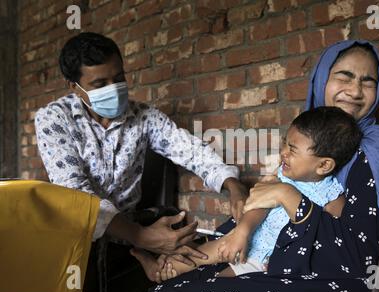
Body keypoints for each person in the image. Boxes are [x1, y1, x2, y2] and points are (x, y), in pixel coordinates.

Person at [144, 39, 379, 292]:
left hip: (326, 275)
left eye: (368, 81)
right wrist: (232, 233)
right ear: (322, 80)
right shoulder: (306, 140)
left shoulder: (376, 149)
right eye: (344, 77)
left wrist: (287, 195)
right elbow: (263, 204)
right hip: (271, 252)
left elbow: (360, 258)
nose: (356, 91)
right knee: (170, 286)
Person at [34, 32, 249, 271]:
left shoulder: (143, 117)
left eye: (118, 78)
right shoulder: (55, 119)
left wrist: (232, 184)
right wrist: (141, 236)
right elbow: (75, 193)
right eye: (100, 84)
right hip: (76, 237)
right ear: (74, 87)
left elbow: (190, 150)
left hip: (127, 234)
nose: (113, 89)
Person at [134, 107, 362, 282]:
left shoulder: (332, 196)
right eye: (285, 143)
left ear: (323, 165)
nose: (283, 152)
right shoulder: (281, 177)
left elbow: (330, 237)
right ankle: (158, 268)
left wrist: (288, 260)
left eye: (292, 150)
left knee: (218, 283)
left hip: (265, 260)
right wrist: (241, 232)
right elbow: (258, 206)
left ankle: (170, 272)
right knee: (196, 255)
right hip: (249, 238)